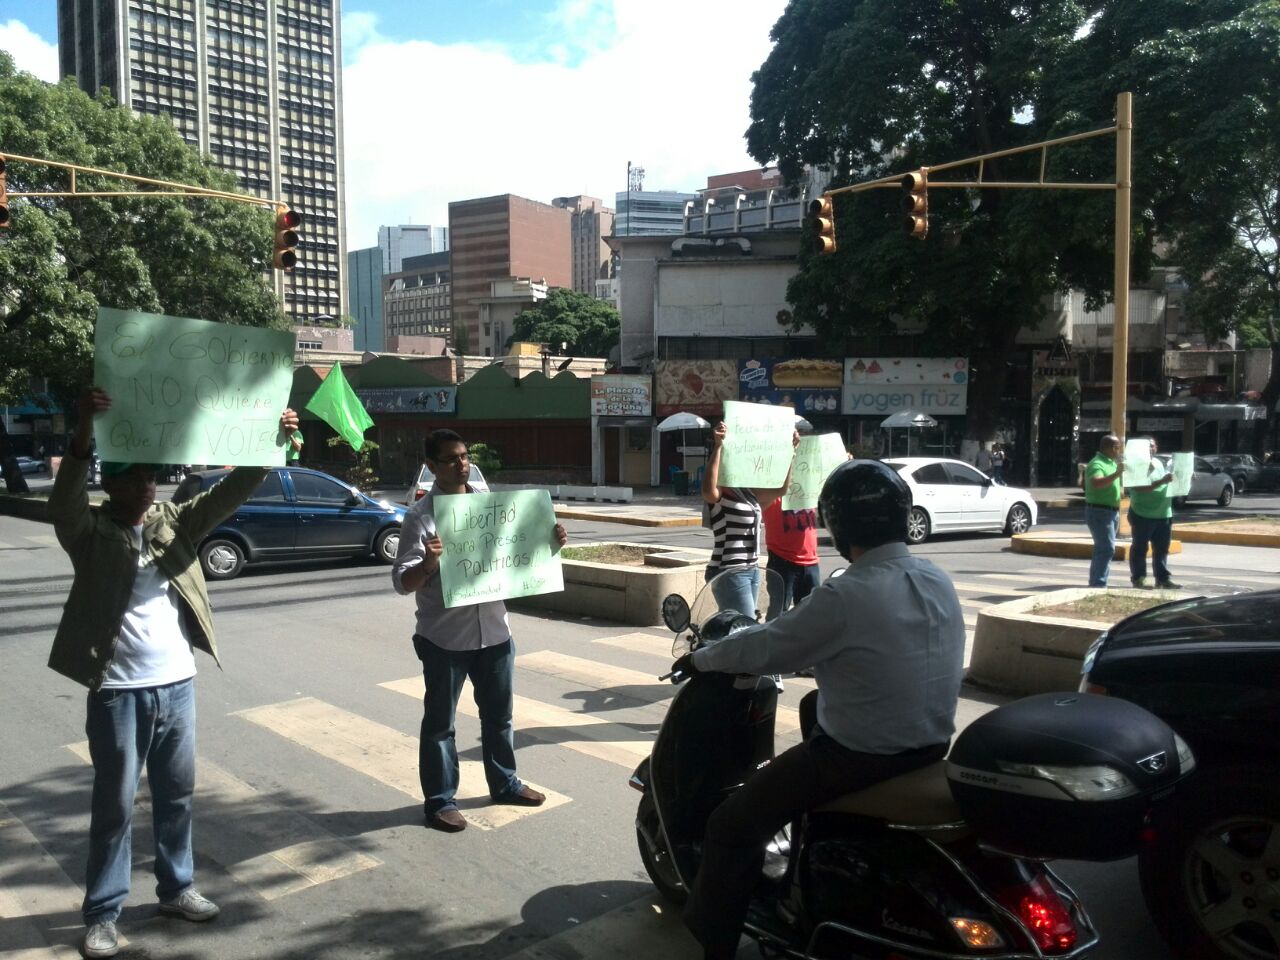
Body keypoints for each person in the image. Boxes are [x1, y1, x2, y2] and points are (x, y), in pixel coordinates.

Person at [674, 460, 965, 960]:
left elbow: (767, 645)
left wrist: (700, 658)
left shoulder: (848, 593)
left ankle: (715, 944)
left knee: (730, 825)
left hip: (859, 756)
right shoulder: (935, 578)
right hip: (931, 743)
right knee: (813, 705)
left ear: (838, 523)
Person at [49, 387, 298, 960]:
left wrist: (272, 439)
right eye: (133, 479)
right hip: (117, 691)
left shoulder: (174, 522)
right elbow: (63, 500)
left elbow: (235, 489)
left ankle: (176, 887)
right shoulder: (87, 533)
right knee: (113, 805)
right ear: (109, 484)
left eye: (150, 479)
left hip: (177, 685)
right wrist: (85, 429)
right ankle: (103, 913)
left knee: (176, 796)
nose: (145, 488)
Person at [393, 428, 568, 833]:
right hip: (444, 640)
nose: (462, 463)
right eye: (452, 458)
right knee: (441, 725)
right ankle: (439, 802)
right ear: (432, 466)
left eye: (465, 456)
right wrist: (428, 564)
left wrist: (551, 542)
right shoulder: (421, 518)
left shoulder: (493, 509)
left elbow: (520, 556)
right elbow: (402, 581)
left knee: (500, 717)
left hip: (495, 634)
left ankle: (504, 783)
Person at [701, 421, 798, 617]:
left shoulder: (750, 495)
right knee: (745, 626)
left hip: (751, 569)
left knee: (738, 628)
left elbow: (781, 489)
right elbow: (707, 491)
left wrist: (791, 452)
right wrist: (718, 446)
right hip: (729, 570)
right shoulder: (723, 493)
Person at [1128, 438, 1180, 589]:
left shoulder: (1158, 463)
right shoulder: (1135, 465)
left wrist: (1183, 479)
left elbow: (1168, 484)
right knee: (1140, 548)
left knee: (1162, 549)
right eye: (1147, 447)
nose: (1150, 449)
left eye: (1152, 446)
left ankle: (1162, 579)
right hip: (1142, 514)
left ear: (1157, 448)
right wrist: (1162, 482)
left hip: (1163, 513)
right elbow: (1138, 488)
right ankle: (1139, 578)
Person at [1084, 434, 1125, 587]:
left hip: (1111, 511)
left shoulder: (1111, 463)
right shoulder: (1097, 464)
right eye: (1116, 448)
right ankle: (1098, 583)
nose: (1118, 451)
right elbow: (1096, 483)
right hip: (1100, 512)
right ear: (1107, 448)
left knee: (1102, 548)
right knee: (1107, 548)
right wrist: (1116, 474)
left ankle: (1096, 581)